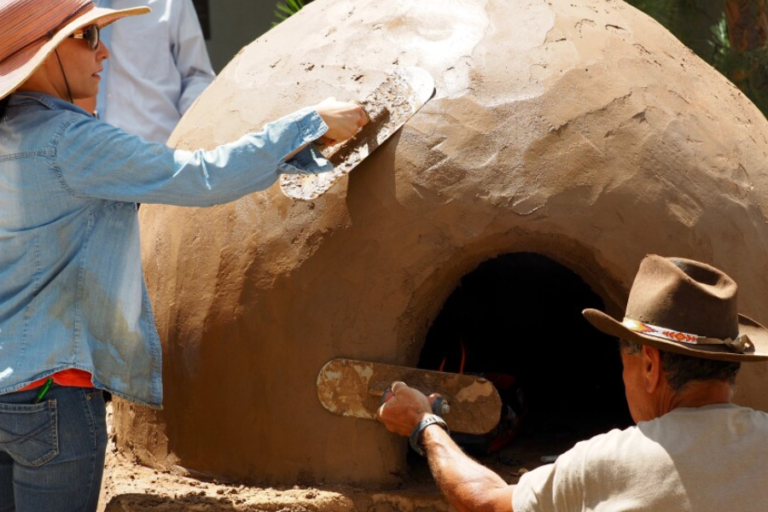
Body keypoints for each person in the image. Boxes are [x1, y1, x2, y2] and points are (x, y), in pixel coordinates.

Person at [0, 1, 366, 510]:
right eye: (87, 39)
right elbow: (202, 175)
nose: (104, 52)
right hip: (51, 400)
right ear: (41, 56)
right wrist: (308, 126)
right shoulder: (69, 143)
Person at [378, 255, 768, 512]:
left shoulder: (606, 462)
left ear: (649, 366)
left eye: (625, 362)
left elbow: (483, 502)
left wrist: (423, 423)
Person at [78, 0, 216, 143]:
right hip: (84, 153)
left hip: (159, 151)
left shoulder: (170, 3)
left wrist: (192, 136)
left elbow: (196, 76)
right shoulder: (63, 6)